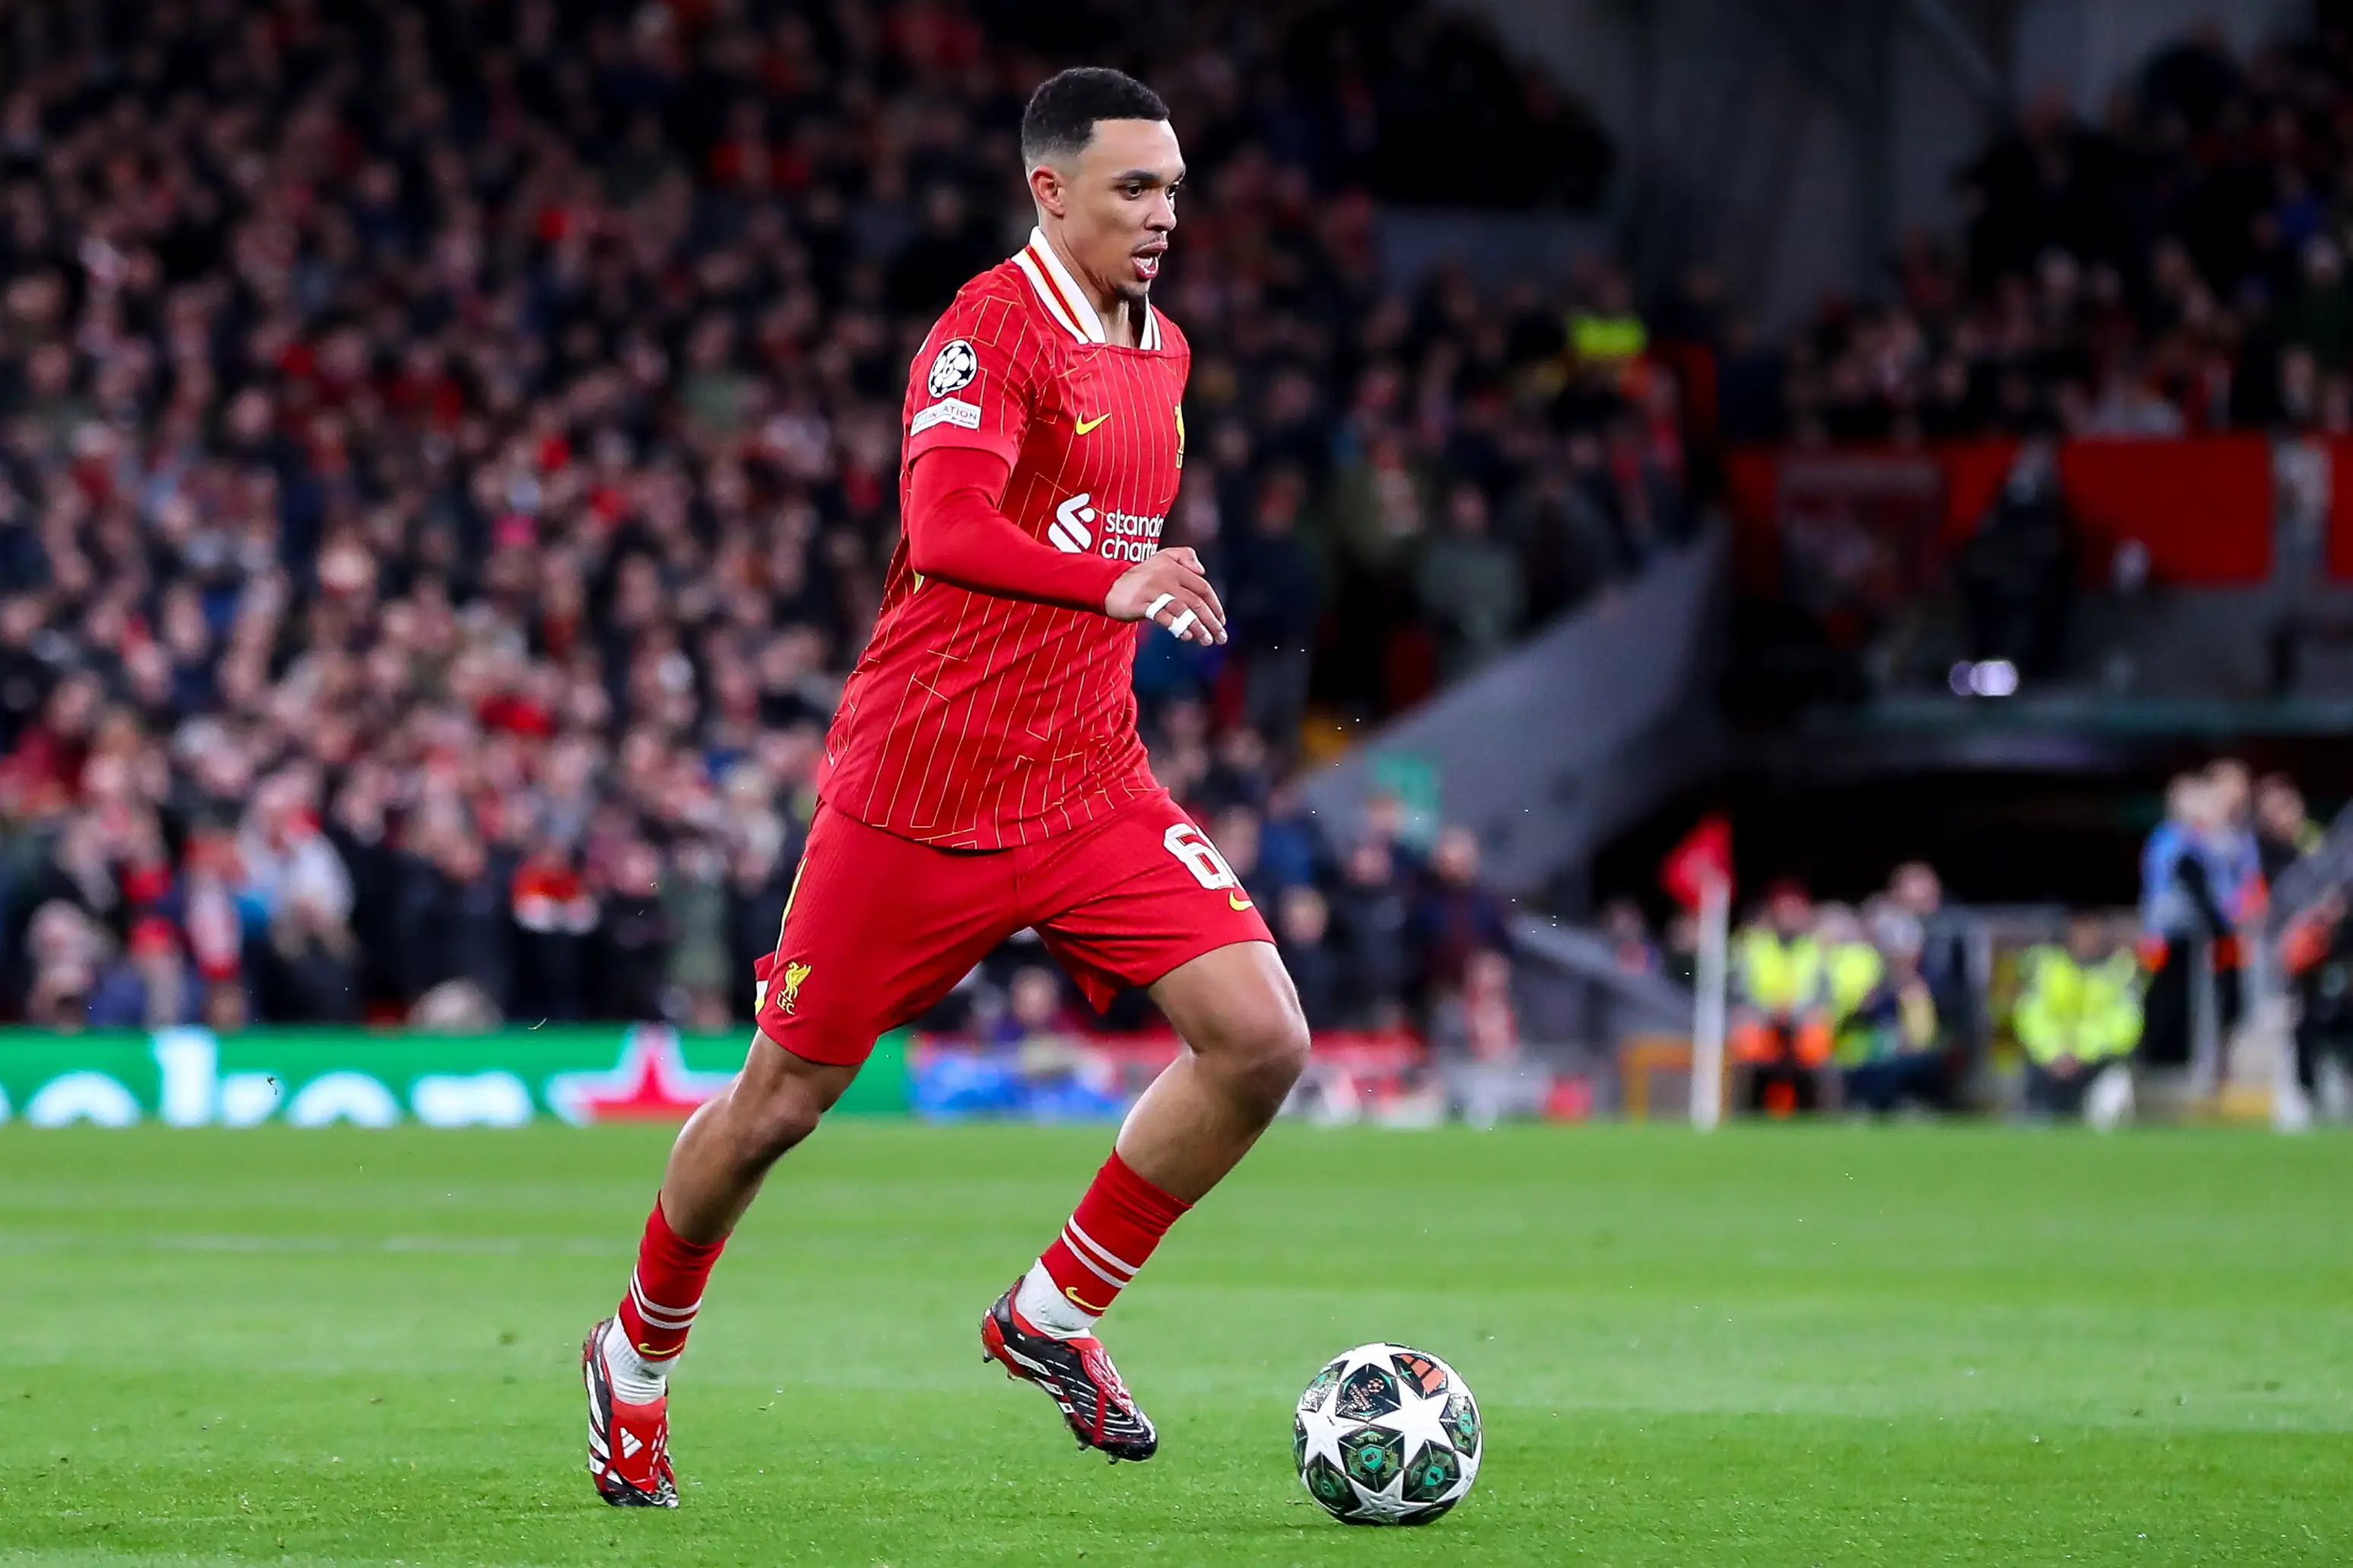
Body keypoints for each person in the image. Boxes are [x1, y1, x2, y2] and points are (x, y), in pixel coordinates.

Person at [582, 68, 1309, 1507]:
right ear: (1052, 190)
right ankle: (636, 1354)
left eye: (1172, 187)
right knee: (779, 1104)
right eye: (1133, 188)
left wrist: (1128, 595)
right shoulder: (986, 329)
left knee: (1260, 1039)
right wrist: (1122, 582)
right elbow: (948, 523)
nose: (1164, 214)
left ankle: (1054, 1309)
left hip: (1089, 781)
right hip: (918, 790)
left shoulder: (1161, 348)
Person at [2014, 914, 2142, 1123]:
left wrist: (2081, 1053)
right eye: (2081, 928)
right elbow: (2031, 1016)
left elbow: (2127, 1025)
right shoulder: (2048, 966)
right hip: (2052, 1064)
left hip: (2097, 1064)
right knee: (2036, 1096)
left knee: (2115, 1089)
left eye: (2092, 929)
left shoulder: (2119, 969)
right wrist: (2056, 1052)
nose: (2087, 937)